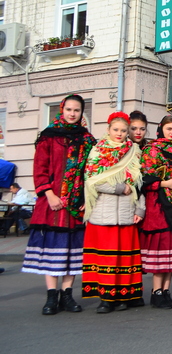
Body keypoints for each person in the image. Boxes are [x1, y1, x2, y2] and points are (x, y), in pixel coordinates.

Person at [23, 94, 96, 315]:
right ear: (62, 110)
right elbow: (40, 169)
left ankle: (67, 295)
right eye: (69, 110)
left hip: (75, 204)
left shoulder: (87, 139)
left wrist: (86, 198)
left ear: (82, 113)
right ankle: (51, 297)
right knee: (53, 249)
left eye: (77, 110)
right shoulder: (48, 136)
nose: (72, 114)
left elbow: (91, 173)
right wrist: (49, 194)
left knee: (72, 252)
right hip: (52, 204)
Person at [81, 112, 145, 313]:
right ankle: (106, 298)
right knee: (106, 258)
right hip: (103, 211)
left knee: (124, 258)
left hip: (126, 211)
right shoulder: (97, 151)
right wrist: (118, 187)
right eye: (116, 130)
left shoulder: (134, 151)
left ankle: (123, 295)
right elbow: (93, 180)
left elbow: (138, 182)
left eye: (124, 131)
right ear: (108, 130)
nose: (119, 134)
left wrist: (140, 208)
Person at [140, 115, 172, 309]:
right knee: (161, 249)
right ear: (161, 129)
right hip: (159, 204)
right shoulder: (152, 149)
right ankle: (156, 292)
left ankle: (166, 291)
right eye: (169, 129)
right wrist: (165, 183)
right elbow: (145, 179)